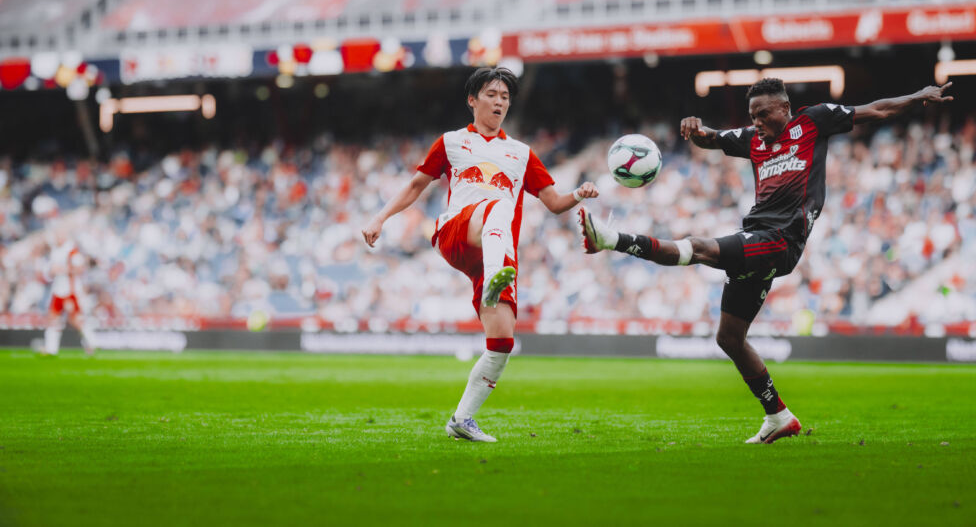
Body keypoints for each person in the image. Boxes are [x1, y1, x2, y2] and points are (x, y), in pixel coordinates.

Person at [579, 78, 954, 444]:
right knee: (729, 337)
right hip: (756, 238)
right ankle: (778, 416)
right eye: (751, 115)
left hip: (781, 241)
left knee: (700, 247)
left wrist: (918, 95)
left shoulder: (812, 121)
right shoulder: (753, 141)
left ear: (784, 109)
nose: (755, 122)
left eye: (761, 114)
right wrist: (694, 129)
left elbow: (876, 109)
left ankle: (611, 239)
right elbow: (712, 137)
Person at [362, 66, 599, 442]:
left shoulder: (521, 153)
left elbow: (553, 202)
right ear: (472, 100)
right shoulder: (452, 142)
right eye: (492, 94)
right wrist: (380, 218)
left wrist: (578, 195)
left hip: (496, 248)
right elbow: (415, 185)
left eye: (505, 97)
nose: (500, 102)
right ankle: (493, 277)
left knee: (503, 341)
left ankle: (461, 420)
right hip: (457, 232)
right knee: (499, 205)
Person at [41, 229, 97, 356]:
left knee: (75, 319)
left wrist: (61, 270)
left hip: (69, 290)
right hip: (58, 290)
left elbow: (80, 269)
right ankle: (51, 348)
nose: (57, 238)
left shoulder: (72, 251)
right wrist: (52, 272)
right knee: (52, 318)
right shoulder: (55, 251)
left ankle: (92, 341)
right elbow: (50, 271)